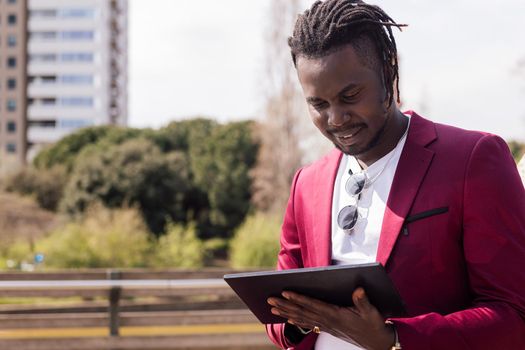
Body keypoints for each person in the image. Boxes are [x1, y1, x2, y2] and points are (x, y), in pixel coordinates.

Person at [264, 0, 525, 349]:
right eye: (319, 104)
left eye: (350, 96)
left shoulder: (473, 159)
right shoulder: (306, 184)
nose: (336, 119)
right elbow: (277, 311)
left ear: (388, 71)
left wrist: (395, 340)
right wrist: (300, 322)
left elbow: (513, 315)